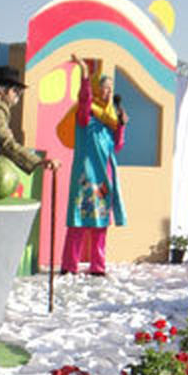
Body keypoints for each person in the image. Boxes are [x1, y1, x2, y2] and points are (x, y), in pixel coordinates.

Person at [59, 54, 127, 276]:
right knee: (78, 221)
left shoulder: (110, 121)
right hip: (85, 175)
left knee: (100, 225)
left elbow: (117, 147)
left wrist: (121, 126)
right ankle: (70, 265)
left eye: (109, 89)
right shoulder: (85, 116)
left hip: (104, 176)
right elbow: (85, 98)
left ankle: (98, 266)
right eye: (103, 88)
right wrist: (85, 76)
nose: (106, 92)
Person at [0, 65, 58, 175]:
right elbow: (5, 142)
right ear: (3, 89)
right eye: (16, 91)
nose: (17, 96)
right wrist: (37, 162)